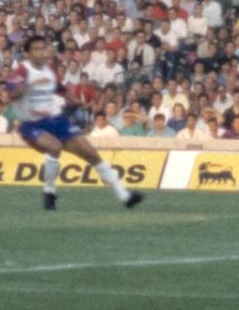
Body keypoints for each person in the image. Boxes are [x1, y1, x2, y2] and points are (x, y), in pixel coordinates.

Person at [9, 34, 143, 211]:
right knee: (54, 147)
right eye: (36, 49)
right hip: (32, 123)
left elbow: (61, 90)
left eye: (43, 48)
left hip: (57, 120)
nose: (41, 52)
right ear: (27, 53)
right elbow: (12, 94)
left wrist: (77, 101)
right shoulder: (22, 71)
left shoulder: (49, 71)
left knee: (91, 153)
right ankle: (49, 191)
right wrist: (26, 86)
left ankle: (125, 196)